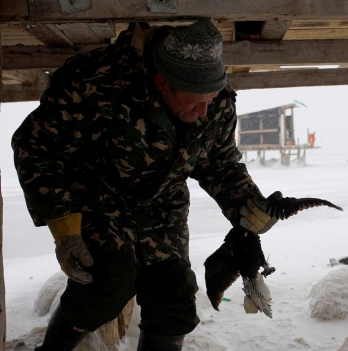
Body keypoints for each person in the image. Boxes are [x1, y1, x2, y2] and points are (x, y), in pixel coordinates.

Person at [12, 20, 278, 351]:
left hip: (163, 205)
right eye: (194, 102)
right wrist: (63, 226)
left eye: (210, 100)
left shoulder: (216, 101)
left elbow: (219, 162)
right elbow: (36, 146)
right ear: (161, 83)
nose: (203, 111)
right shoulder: (97, 82)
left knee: (175, 297)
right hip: (99, 194)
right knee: (105, 287)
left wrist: (247, 203)